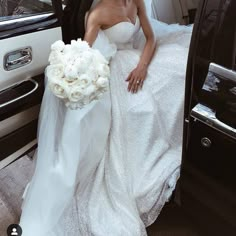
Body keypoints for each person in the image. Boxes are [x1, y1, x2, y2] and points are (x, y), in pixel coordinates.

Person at [20, 0, 192, 235]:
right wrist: (71, 77)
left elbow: (151, 38)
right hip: (111, 69)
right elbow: (83, 56)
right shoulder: (98, 13)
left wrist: (142, 66)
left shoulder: (137, 2)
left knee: (181, 70)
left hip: (135, 61)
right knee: (142, 111)